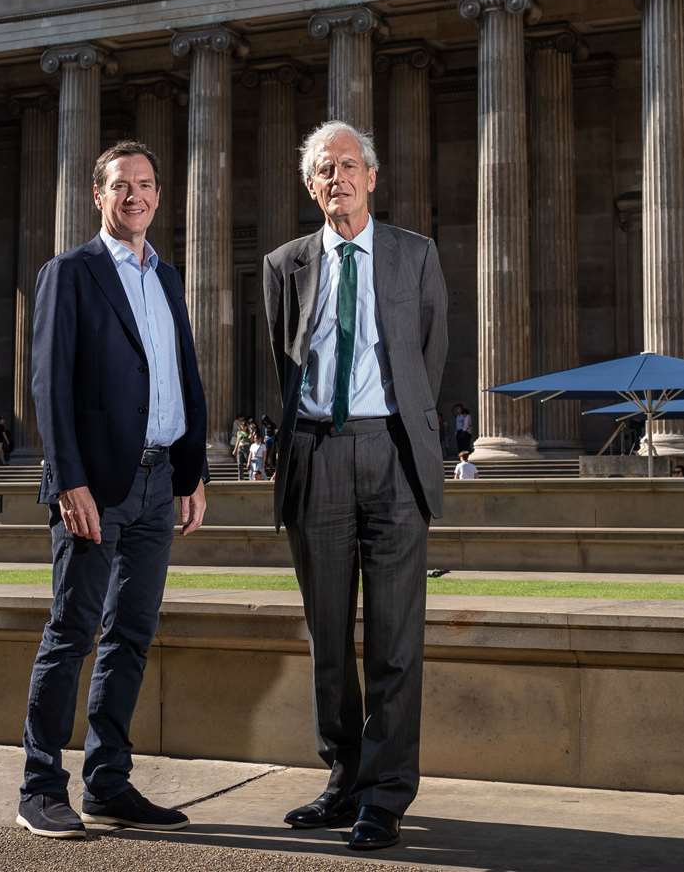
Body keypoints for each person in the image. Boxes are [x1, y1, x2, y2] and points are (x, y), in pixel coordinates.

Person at [262, 120, 448, 852]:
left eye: (347, 166)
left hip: (392, 452)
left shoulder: (415, 256)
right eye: (321, 170)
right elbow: (284, 361)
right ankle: (342, 778)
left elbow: (429, 358)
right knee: (330, 640)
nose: (335, 178)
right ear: (310, 188)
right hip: (317, 454)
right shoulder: (285, 265)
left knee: (396, 639)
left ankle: (387, 793)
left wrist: (396, 427)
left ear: (372, 177)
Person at [18, 139, 208, 840]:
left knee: (131, 633)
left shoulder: (168, 278)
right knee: (71, 632)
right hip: (95, 484)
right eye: (122, 185)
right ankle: (40, 787)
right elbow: (49, 384)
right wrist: (67, 479)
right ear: (98, 195)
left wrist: (195, 472)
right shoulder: (70, 273)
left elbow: (181, 379)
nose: (137, 196)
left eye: (148, 184)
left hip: (162, 480)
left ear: (160, 195)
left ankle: (107, 781)